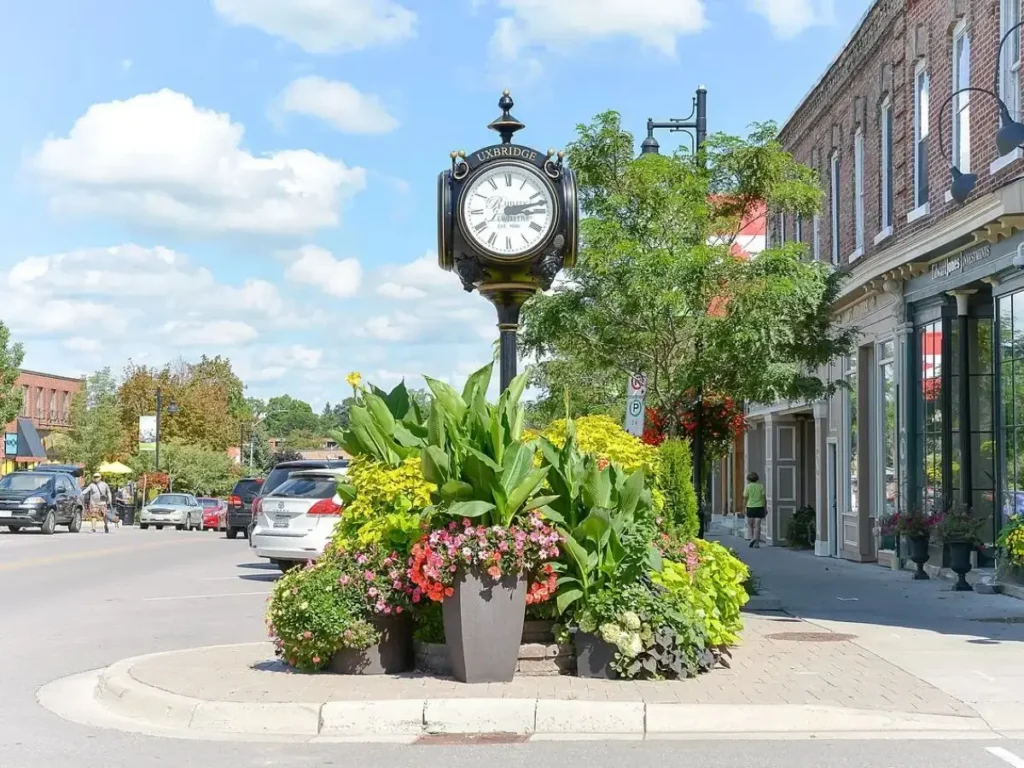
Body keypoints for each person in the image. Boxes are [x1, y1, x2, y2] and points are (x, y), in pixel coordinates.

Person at [743, 471, 766, 548]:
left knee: (750, 525)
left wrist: (744, 507)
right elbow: (763, 498)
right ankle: (757, 542)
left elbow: (745, 498)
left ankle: (752, 538)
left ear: (748, 479)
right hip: (759, 507)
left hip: (750, 507)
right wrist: (764, 507)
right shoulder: (761, 486)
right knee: (757, 525)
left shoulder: (747, 487)